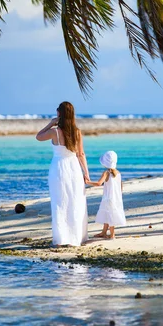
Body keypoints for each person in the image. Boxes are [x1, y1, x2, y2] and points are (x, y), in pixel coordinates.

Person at [36, 101, 89, 246]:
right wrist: (86, 173)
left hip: (59, 168)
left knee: (60, 202)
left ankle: (62, 239)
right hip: (74, 169)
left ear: (59, 113)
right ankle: (77, 237)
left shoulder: (54, 132)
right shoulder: (77, 132)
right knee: (75, 201)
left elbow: (38, 136)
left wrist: (50, 123)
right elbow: (81, 154)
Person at [87, 151, 126, 239]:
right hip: (116, 198)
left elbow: (99, 183)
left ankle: (112, 235)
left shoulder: (106, 173)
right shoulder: (118, 173)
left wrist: (87, 182)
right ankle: (104, 232)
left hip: (108, 198)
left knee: (111, 215)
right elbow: (121, 186)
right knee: (107, 214)